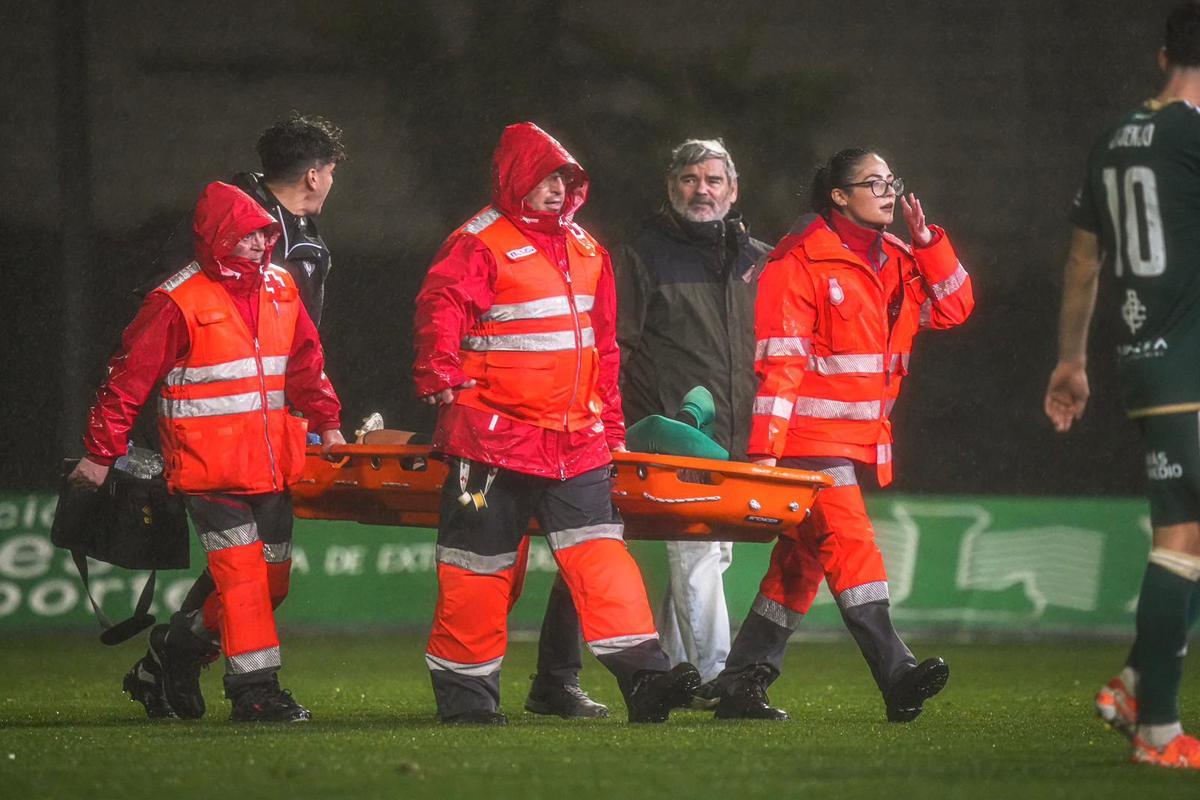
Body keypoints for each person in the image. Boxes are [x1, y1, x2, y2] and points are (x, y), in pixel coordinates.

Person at [412, 121, 699, 725]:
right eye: (544, 179)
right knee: (478, 571)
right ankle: (467, 701)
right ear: (514, 179)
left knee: (602, 559)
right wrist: (438, 372)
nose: (556, 190)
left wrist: (611, 426)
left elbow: (604, 350)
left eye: (565, 180)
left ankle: (646, 678)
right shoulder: (477, 242)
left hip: (575, 440)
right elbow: (441, 307)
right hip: (490, 438)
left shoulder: (588, 250)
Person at [711, 148, 974, 722]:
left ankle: (741, 681)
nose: (888, 191)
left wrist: (929, 243)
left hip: (855, 440)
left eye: (891, 180)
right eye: (873, 183)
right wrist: (765, 453)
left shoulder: (899, 258)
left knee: (800, 565)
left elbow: (954, 308)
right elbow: (779, 363)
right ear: (839, 196)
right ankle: (896, 672)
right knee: (852, 545)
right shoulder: (796, 262)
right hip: (806, 442)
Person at [70, 181, 346, 722]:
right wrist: (101, 455)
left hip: (270, 464)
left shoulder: (281, 287)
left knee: (272, 582)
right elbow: (125, 382)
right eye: (244, 235)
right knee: (242, 579)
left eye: (263, 234)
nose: (257, 243)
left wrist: (328, 423)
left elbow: (305, 363)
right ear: (216, 236)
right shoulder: (176, 301)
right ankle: (255, 692)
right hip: (208, 470)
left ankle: (173, 651)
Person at [1043, 1, 1200, 770]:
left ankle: (1138, 683)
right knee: (1182, 537)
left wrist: (1071, 360)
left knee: (1190, 531)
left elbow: (1083, 261)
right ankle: (1158, 731)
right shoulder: (1194, 136)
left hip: (1146, 357)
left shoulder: (1112, 140)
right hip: (1192, 362)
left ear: (1162, 57)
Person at [611, 138, 767, 704]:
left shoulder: (759, 260)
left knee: (709, 556)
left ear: (733, 190)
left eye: (713, 180)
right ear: (671, 186)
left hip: (738, 435)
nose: (702, 190)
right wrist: (613, 425)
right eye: (689, 179)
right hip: (673, 434)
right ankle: (716, 677)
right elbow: (616, 348)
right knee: (695, 552)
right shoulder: (642, 254)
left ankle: (674, 674)